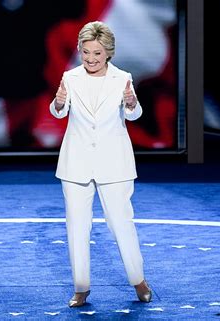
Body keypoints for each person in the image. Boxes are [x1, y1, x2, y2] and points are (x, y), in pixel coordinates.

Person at [49, 21, 152, 307]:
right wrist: (58, 103)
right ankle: (81, 288)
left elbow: (134, 114)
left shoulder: (123, 78)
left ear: (108, 52)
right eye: (85, 53)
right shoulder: (70, 77)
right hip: (76, 163)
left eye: (96, 53)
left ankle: (138, 281)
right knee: (77, 227)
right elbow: (58, 112)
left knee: (121, 224)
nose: (91, 59)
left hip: (114, 162)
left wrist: (131, 103)